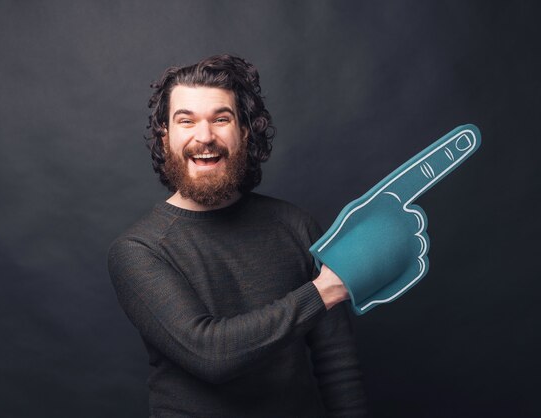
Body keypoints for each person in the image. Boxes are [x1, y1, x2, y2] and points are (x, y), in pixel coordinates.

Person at [108, 54, 367, 417]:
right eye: (186, 121)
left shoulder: (296, 225)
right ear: (165, 137)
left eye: (221, 119)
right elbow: (210, 355)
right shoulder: (139, 250)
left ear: (245, 131)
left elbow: (337, 365)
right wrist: (323, 292)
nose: (205, 137)